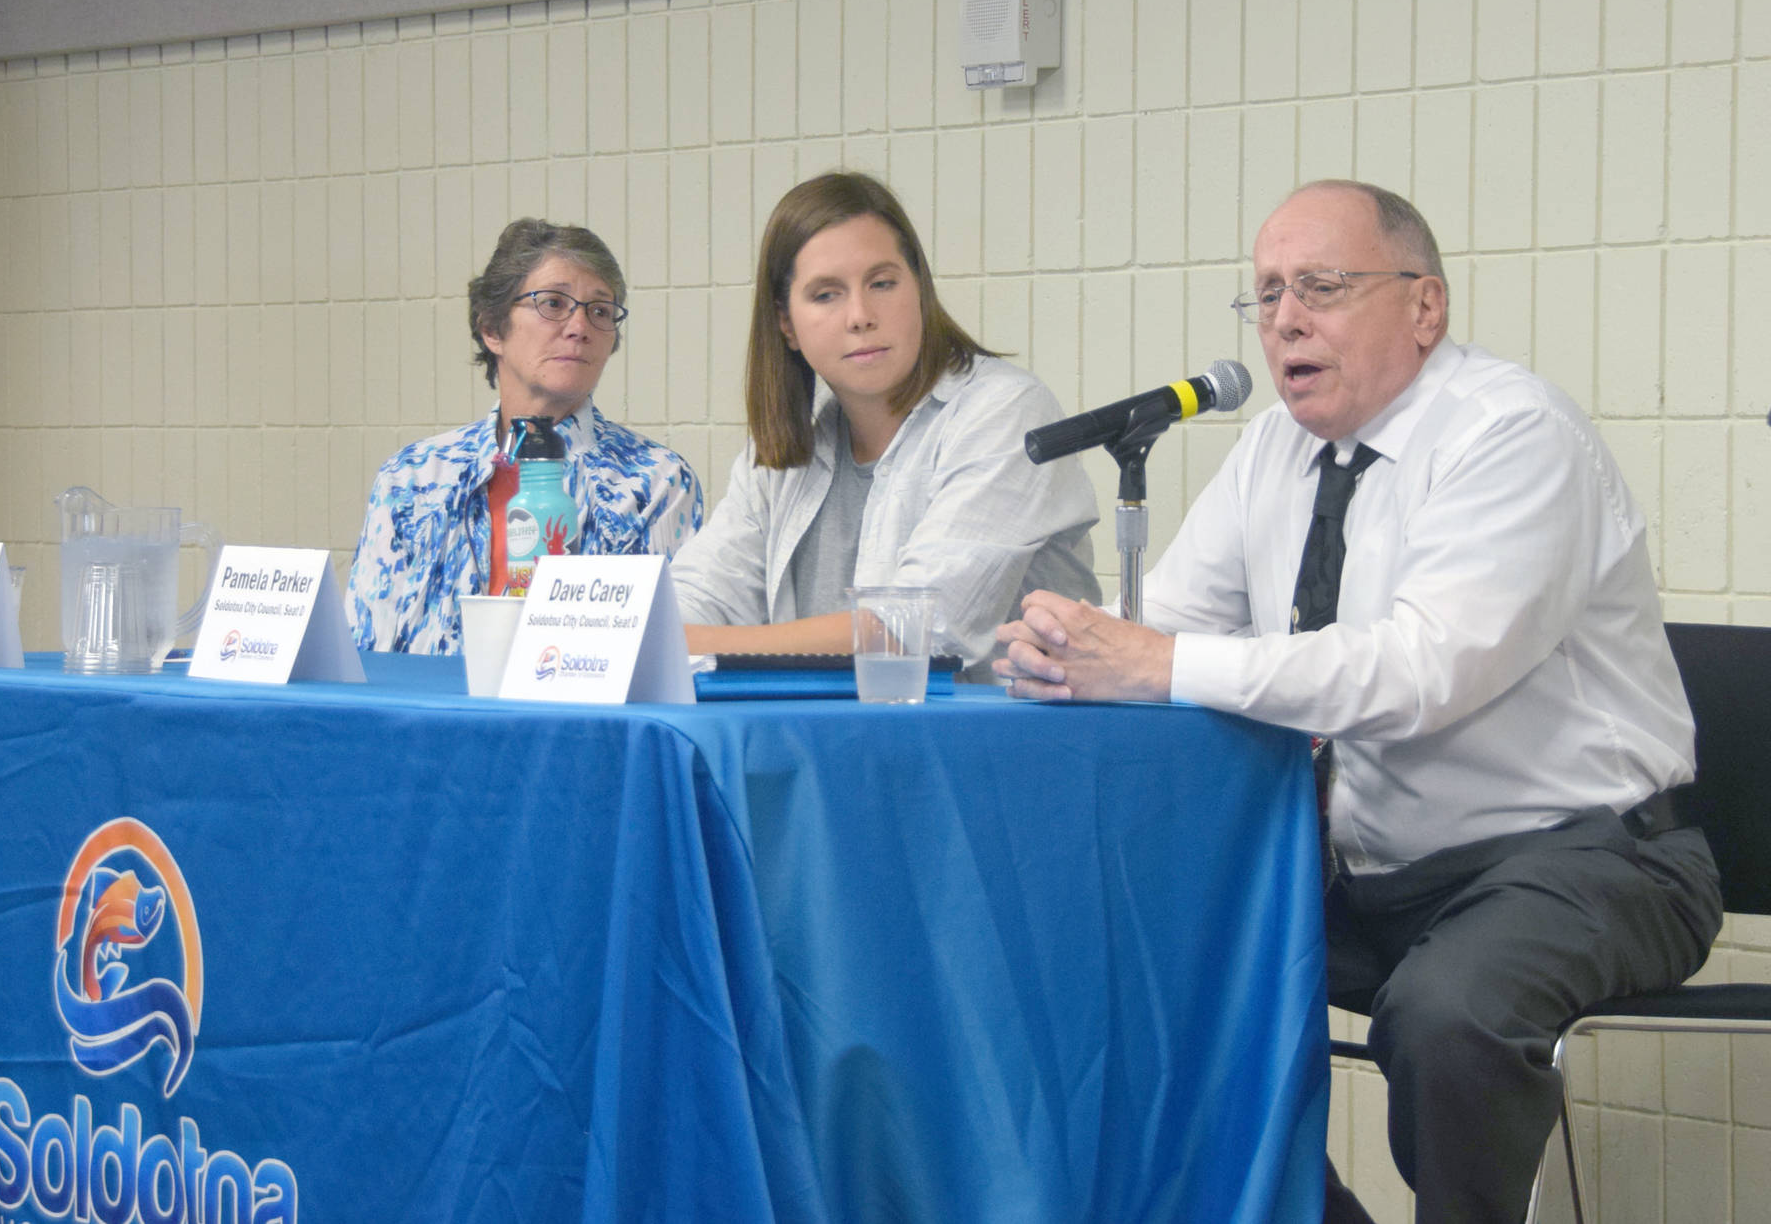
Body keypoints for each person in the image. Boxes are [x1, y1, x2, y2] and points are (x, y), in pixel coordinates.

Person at [994, 180, 1721, 1223]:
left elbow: (1419, 672)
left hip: (1588, 859)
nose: (1286, 318)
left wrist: (1151, 662)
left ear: (1423, 307)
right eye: (1267, 293)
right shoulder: (1270, 454)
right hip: (1372, 875)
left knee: (1445, 1014)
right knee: (1144, 975)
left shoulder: (1509, 436)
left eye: (1321, 287)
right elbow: (1170, 623)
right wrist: (1066, 644)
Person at [671, 171, 1099, 664]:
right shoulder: (777, 456)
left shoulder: (1005, 413)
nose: (860, 315)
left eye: (882, 283)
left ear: (919, 289)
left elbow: (912, 633)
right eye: (826, 294)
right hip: (826, 737)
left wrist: (699, 644)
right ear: (786, 324)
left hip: (986, 739)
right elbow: (698, 597)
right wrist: (665, 631)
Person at [346, 219, 702, 654]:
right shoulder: (412, 478)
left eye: (600, 311)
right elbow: (364, 653)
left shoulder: (654, 482)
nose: (579, 326)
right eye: (553, 303)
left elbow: (663, 653)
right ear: (492, 330)